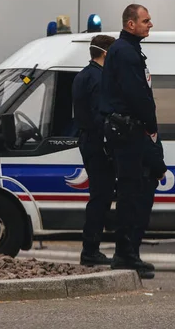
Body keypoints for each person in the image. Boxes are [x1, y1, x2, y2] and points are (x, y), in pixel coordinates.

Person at [101, 4, 164, 279]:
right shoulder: (125, 53)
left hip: (130, 134)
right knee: (132, 195)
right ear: (130, 24)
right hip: (130, 134)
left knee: (137, 191)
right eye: (145, 20)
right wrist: (151, 126)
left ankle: (129, 253)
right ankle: (126, 255)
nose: (150, 24)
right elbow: (137, 95)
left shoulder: (127, 50)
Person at [72, 34, 117, 266]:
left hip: (87, 142)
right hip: (99, 144)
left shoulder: (82, 76)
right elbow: (101, 116)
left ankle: (91, 247)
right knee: (101, 197)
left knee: (98, 196)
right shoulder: (100, 79)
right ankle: (91, 250)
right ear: (106, 54)